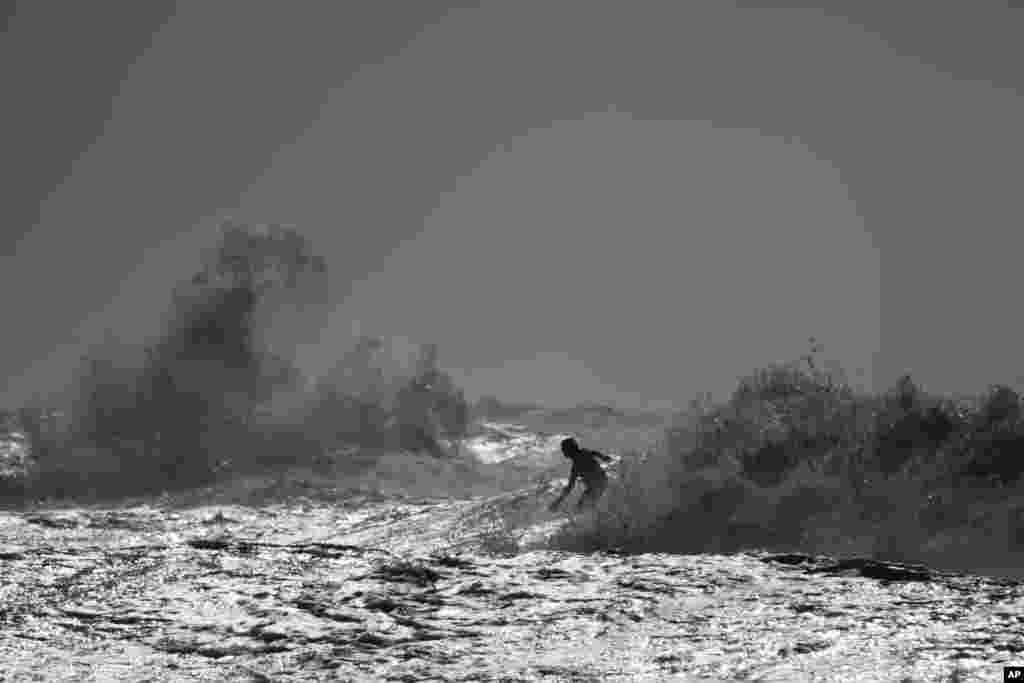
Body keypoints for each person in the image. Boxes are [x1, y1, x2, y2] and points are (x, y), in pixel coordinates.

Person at [548, 437, 612, 513]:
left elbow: (570, 487)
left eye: (564, 449)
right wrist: (604, 458)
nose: (563, 452)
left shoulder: (576, 466)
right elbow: (594, 453)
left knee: (581, 508)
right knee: (584, 505)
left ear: (569, 450)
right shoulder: (583, 453)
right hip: (602, 482)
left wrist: (558, 502)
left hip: (596, 487)